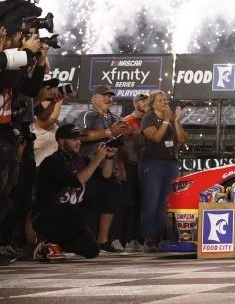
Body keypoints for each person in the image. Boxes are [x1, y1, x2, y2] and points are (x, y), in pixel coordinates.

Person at [32, 124, 117, 261]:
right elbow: (76, 181)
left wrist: (108, 158)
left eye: (79, 139)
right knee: (82, 215)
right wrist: (97, 159)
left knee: (92, 251)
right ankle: (46, 243)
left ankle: (58, 245)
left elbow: (106, 177)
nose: (78, 142)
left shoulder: (82, 160)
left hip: (69, 218)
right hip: (47, 216)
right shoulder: (52, 161)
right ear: (61, 141)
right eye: (73, 139)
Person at [74, 84, 130, 253]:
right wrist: (108, 132)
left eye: (110, 96)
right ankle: (82, 239)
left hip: (108, 165)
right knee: (87, 202)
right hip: (88, 164)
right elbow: (81, 135)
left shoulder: (115, 118)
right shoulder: (87, 115)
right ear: (93, 98)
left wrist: (120, 165)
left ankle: (103, 240)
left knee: (110, 200)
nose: (108, 98)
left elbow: (120, 143)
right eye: (104, 95)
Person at [139, 91, 187, 252]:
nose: (165, 102)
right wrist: (166, 120)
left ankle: (161, 236)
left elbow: (181, 140)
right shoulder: (149, 118)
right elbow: (155, 138)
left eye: (166, 100)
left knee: (165, 202)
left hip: (170, 164)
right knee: (151, 202)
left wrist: (176, 121)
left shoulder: (171, 120)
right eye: (160, 100)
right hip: (153, 163)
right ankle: (149, 238)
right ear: (152, 103)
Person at [114, 92, 148, 253]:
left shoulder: (148, 120)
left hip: (143, 165)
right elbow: (120, 145)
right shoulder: (127, 120)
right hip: (130, 164)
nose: (146, 103)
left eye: (147, 101)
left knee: (140, 202)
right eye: (143, 101)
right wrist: (120, 166)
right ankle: (122, 238)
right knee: (127, 202)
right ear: (135, 103)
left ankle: (136, 238)